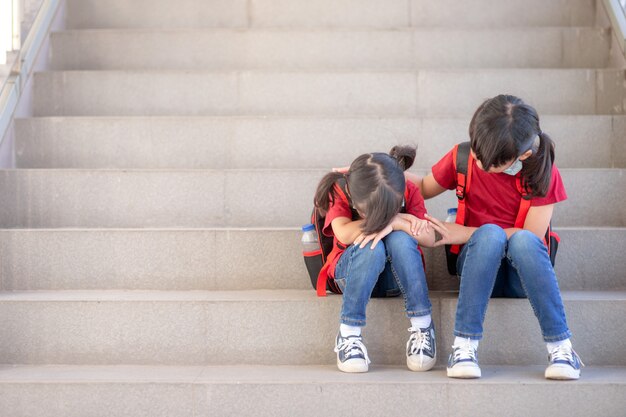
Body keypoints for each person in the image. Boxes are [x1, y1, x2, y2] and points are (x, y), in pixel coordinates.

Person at [419, 94, 583, 380]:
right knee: (491, 236)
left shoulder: (543, 174)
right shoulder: (463, 156)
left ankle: (561, 347)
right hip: (477, 267)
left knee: (519, 240)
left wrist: (466, 232)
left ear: (522, 156)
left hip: (523, 275)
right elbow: (419, 189)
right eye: (478, 153)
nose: (480, 163)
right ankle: (464, 346)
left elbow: (530, 238)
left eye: (492, 161)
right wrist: (376, 176)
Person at [314, 146, 436, 373]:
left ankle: (423, 326)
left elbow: (429, 237)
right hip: (350, 275)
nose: (379, 218)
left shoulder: (407, 188)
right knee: (372, 246)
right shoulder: (340, 189)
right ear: (352, 196)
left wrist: (396, 223)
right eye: (365, 212)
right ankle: (349, 333)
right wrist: (396, 220)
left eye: (393, 208)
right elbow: (343, 233)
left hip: (394, 279)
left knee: (400, 240)